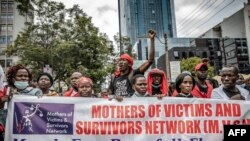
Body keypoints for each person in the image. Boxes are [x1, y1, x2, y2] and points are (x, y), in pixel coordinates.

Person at [108, 29, 155, 97]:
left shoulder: (134, 73)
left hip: (131, 106)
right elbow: (110, 93)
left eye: (124, 60)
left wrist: (152, 40)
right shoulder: (114, 76)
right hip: (119, 107)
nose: (121, 62)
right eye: (120, 60)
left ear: (130, 64)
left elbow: (150, 61)